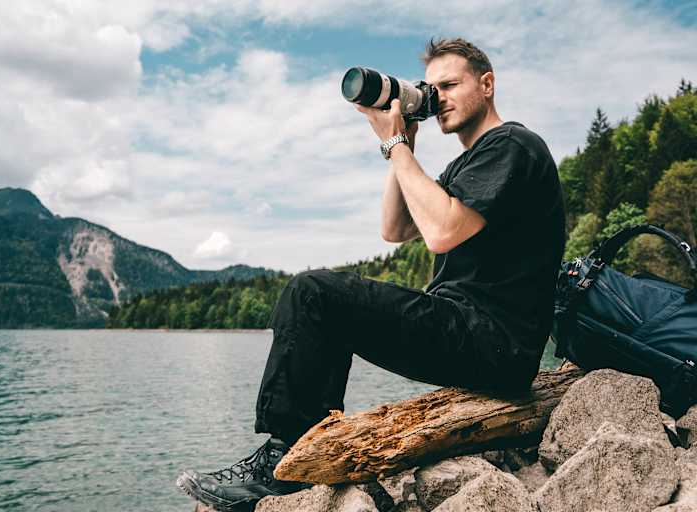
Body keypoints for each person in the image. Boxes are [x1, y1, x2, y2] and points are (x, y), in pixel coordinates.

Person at [178, 37, 566, 511]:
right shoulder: (467, 162)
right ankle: (300, 448)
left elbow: (442, 231)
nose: (438, 97)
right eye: (431, 88)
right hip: (471, 333)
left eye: (450, 85)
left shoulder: (513, 145)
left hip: (494, 340)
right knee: (326, 301)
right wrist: (404, 143)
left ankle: (283, 460)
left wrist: (396, 143)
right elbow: (395, 228)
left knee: (314, 293)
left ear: (486, 85)